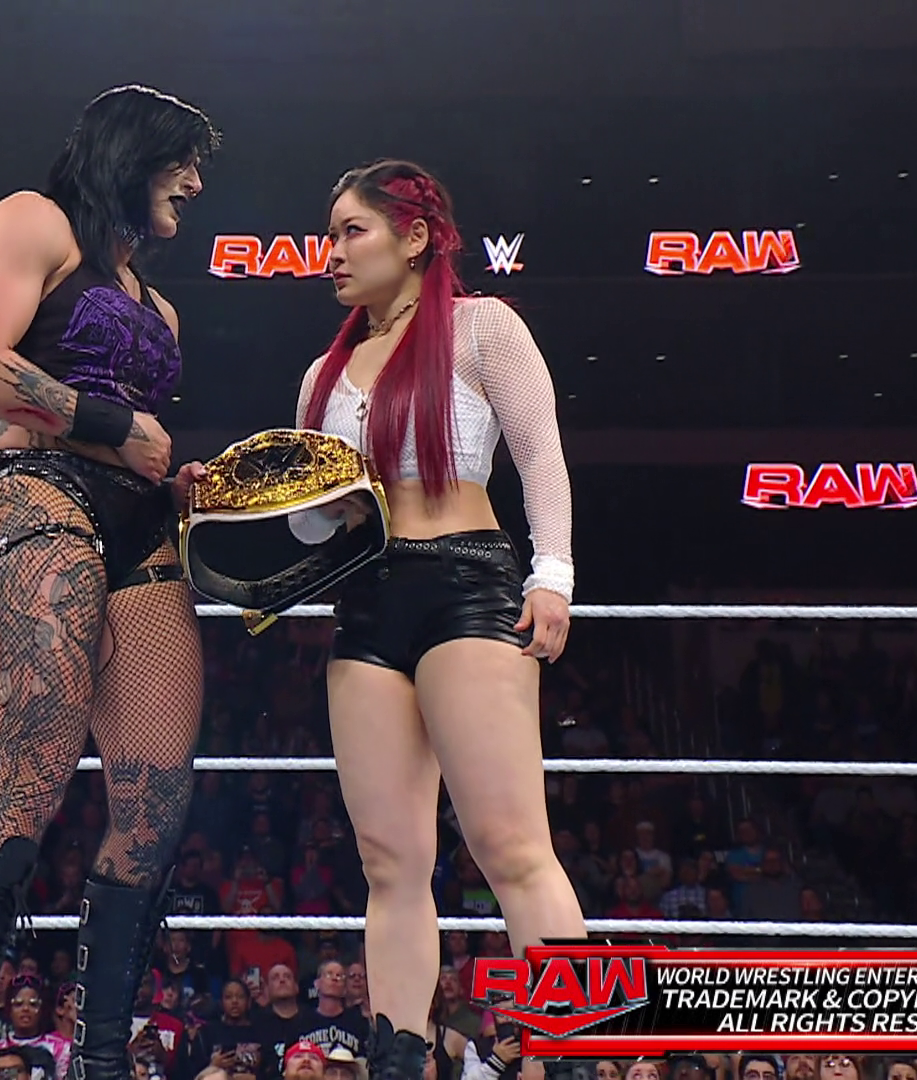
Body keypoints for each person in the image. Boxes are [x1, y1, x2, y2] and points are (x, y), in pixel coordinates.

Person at [201, 159, 586, 1080]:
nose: (330, 252)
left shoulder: (483, 327)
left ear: (414, 238)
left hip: (467, 582)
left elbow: (542, 456)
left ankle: (576, 1055)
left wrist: (554, 576)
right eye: (328, 233)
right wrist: (260, 501)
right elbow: (313, 525)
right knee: (388, 861)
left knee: (511, 847)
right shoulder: (321, 374)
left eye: (351, 231)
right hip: (366, 597)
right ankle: (400, 1060)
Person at [0, 83, 221, 1080]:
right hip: (37, 494)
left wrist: (174, 479)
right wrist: (112, 427)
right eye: (182, 161)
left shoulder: (161, 305)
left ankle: (101, 1058)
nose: (194, 184)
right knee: (35, 773)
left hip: (142, 529)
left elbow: (138, 434)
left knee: (156, 800)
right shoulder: (34, 221)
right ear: (131, 153)